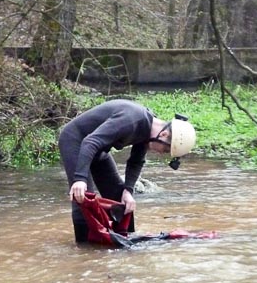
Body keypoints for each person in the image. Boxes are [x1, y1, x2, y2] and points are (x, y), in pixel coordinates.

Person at [59, 99, 196, 243]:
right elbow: (90, 142)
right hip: (76, 141)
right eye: (166, 149)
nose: (162, 153)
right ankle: (85, 248)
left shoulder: (147, 131)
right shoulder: (132, 119)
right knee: (83, 198)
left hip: (97, 149)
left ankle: (125, 240)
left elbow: (136, 161)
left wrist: (128, 191)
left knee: (120, 198)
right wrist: (80, 179)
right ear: (163, 135)